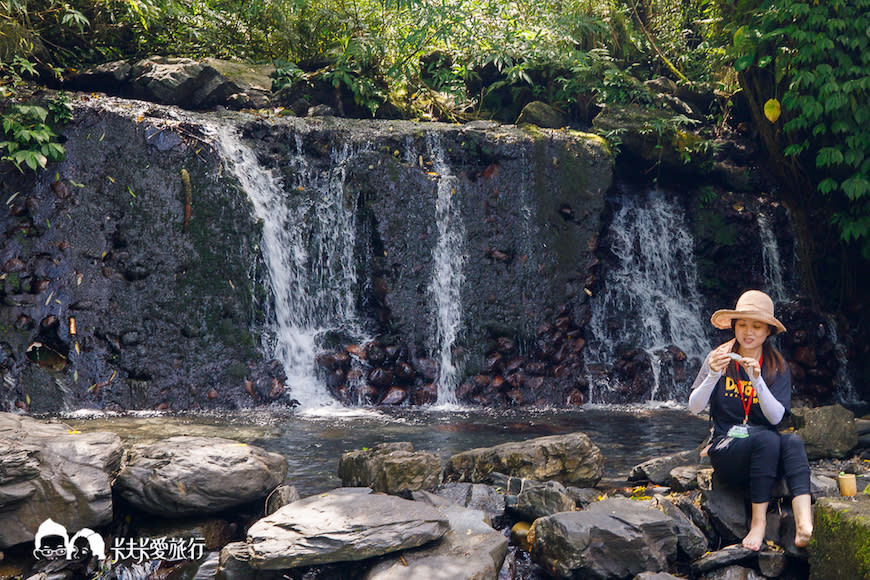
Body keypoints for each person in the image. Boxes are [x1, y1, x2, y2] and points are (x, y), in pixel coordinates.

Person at [688, 290, 813, 551]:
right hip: (728, 450)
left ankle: (804, 523)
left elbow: (777, 417)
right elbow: (694, 407)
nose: (748, 332)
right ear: (734, 326)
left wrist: (757, 380)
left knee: (792, 442)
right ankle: (758, 524)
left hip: (763, 456)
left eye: (756, 326)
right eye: (742, 324)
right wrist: (712, 375)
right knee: (768, 439)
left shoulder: (776, 366)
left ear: (767, 331)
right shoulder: (719, 356)